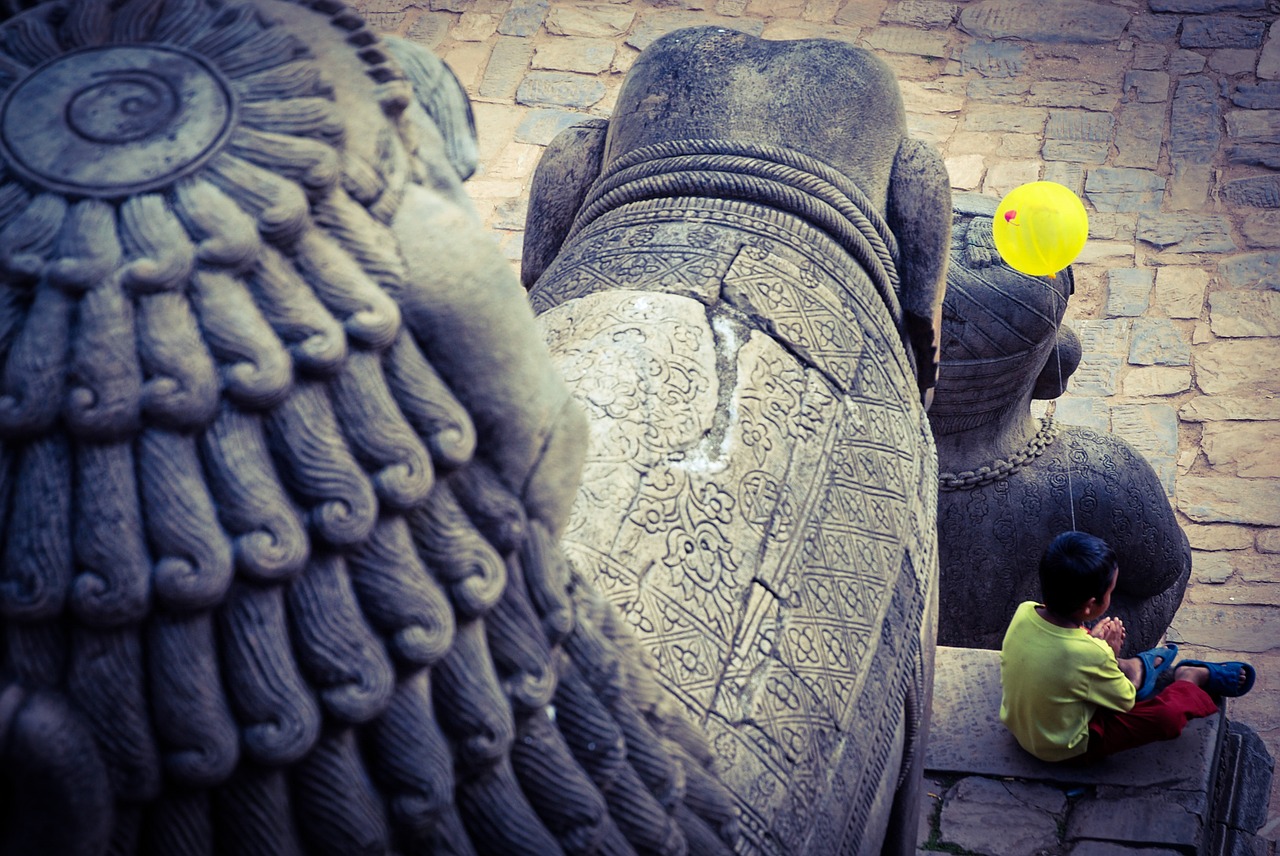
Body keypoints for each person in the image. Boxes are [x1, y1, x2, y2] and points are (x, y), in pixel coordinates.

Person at [1000, 531, 1256, 763]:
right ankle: (1188, 676)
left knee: (1079, 648)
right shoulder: (1090, 654)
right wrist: (1108, 654)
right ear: (1090, 605)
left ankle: (1134, 667)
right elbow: (1125, 701)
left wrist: (1094, 647)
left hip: (1022, 727)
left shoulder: (1025, 611)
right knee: (1165, 717)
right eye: (1111, 591)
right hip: (1062, 747)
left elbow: (1060, 648)